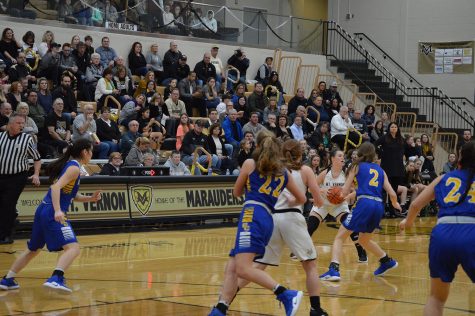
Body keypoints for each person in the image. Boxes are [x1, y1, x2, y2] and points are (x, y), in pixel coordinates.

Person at [214, 139, 328, 316]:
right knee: (310, 265)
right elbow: (314, 202)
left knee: (255, 267)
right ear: (300, 154)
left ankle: (224, 303)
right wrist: (321, 196)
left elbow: (239, 190)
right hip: (288, 217)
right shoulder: (302, 171)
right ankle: (315, 309)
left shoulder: (269, 167)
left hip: (272, 218)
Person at [0, 138, 101, 292]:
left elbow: (68, 193)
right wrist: (58, 210)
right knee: (73, 248)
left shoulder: (71, 166)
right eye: (91, 151)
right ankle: (56, 278)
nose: (92, 154)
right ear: (84, 152)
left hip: (43, 211)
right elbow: (55, 188)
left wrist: (90, 198)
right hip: (51, 212)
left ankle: (7, 280)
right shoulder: (73, 168)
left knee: (33, 250)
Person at [399, 140, 475, 316]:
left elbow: (416, 204)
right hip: (471, 233)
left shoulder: (444, 178)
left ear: (460, 158)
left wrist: (408, 222)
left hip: (443, 234)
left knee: (436, 298)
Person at [319, 142, 401, 281]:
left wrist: (336, 196)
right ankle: (386, 260)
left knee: (340, 237)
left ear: (361, 153)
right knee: (363, 240)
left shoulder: (356, 166)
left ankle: (334, 270)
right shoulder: (381, 170)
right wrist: (395, 204)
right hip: (378, 206)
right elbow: (392, 193)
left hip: (364, 204)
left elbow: (344, 190)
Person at [304, 149, 368, 267]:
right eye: (339, 156)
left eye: (343, 156)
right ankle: (300, 250)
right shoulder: (325, 173)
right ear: (333, 158)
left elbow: (357, 189)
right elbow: (309, 188)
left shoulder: (347, 173)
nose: (342, 158)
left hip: (339, 206)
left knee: (350, 226)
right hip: (323, 204)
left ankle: (361, 251)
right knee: (311, 226)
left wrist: (347, 195)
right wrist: (322, 190)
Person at [0, 114, 41, 244]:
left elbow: (37, 158)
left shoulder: (27, 139)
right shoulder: (0, 137)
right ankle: (13, 220)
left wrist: (36, 174)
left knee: (8, 204)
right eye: (19, 123)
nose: (22, 125)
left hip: (17, 177)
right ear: (10, 124)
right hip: (1, 176)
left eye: (23, 123)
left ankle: (6, 235)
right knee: (4, 205)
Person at [375, 122, 405, 218]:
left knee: (394, 189)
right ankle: (382, 210)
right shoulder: (385, 137)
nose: (394, 128)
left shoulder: (401, 139)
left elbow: (405, 149)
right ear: (389, 128)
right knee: (385, 189)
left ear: (397, 128)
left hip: (398, 166)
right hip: (387, 165)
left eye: (395, 127)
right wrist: (381, 153)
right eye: (392, 127)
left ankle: (393, 210)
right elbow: (375, 144)